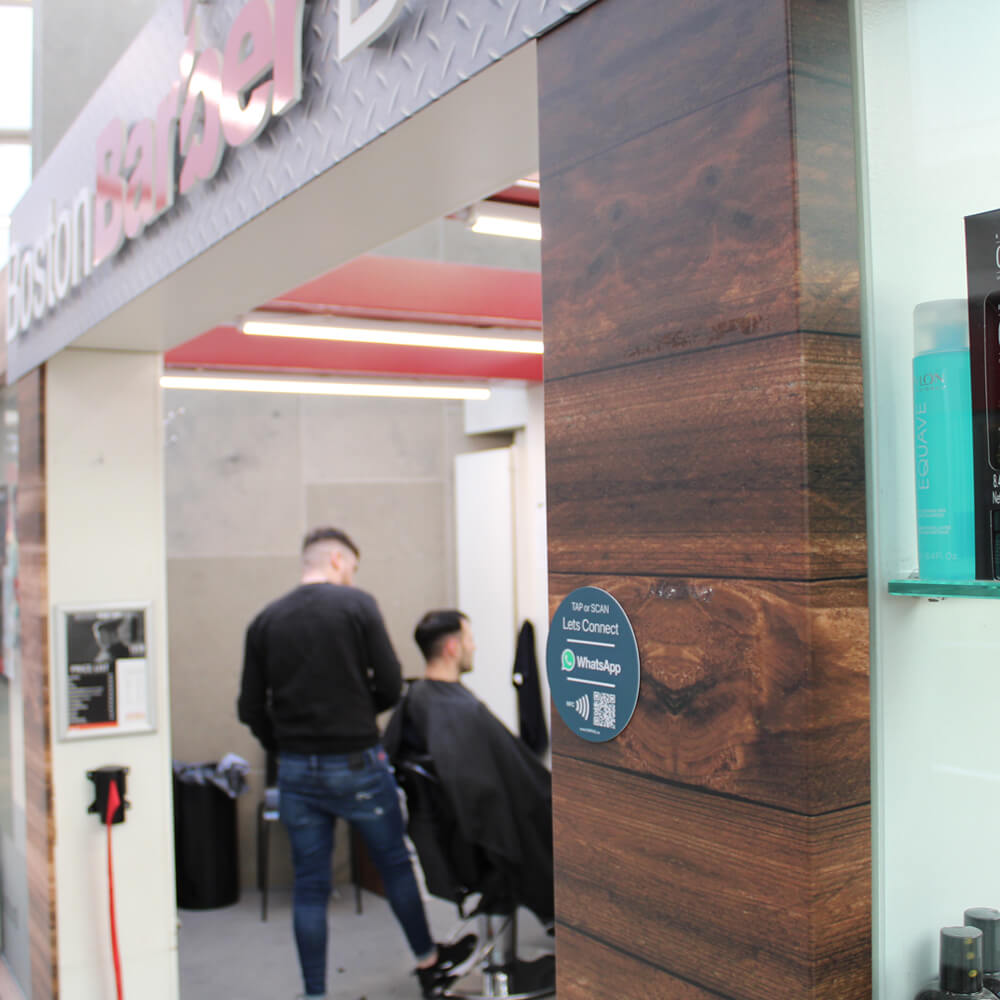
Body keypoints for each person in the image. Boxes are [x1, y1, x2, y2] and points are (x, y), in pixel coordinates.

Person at [237, 528, 474, 1000]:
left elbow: (249, 707)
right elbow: (390, 683)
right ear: (338, 561)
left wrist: (282, 744)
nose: (352, 576)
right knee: (394, 865)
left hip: (297, 771)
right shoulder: (357, 605)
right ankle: (428, 965)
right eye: (353, 568)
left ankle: (315, 994)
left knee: (309, 887)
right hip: (357, 763)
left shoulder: (265, 620)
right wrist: (358, 716)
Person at [384, 610, 554, 926]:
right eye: (470, 639)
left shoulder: (418, 697)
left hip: (448, 841)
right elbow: (487, 797)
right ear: (453, 647)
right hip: (480, 848)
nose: (474, 647)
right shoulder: (459, 711)